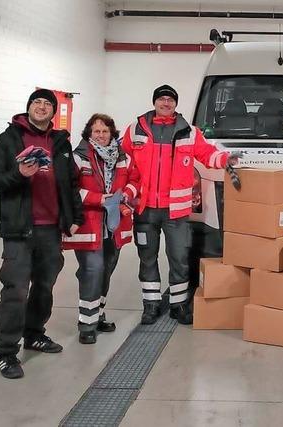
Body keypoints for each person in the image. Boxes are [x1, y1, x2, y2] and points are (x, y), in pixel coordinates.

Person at [0, 89, 83, 379]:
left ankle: (34, 334)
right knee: (15, 290)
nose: (41, 107)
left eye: (47, 104)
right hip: (19, 230)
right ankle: (5, 353)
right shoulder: (9, 139)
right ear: (28, 107)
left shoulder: (61, 143)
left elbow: (71, 184)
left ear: (54, 111)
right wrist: (19, 174)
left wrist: (74, 218)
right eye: (36, 102)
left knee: (44, 286)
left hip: (51, 229)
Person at [122, 85, 240, 325]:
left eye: (170, 100)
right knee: (147, 258)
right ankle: (151, 305)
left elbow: (207, 154)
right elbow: (123, 162)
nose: (166, 103)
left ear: (176, 104)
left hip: (175, 211)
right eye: (162, 99)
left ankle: (179, 305)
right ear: (155, 101)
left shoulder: (189, 132)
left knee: (179, 258)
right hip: (144, 209)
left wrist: (226, 158)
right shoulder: (135, 130)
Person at [63, 114, 140, 344]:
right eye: (96, 131)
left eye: (105, 131)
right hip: (89, 223)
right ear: (89, 133)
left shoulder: (123, 157)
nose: (101, 135)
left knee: (107, 268)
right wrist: (100, 198)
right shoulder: (79, 157)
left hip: (114, 224)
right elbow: (69, 188)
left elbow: (135, 180)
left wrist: (126, 193)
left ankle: (97, 315)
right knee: (93, 268)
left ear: (112, 134)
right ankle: (86, 325)